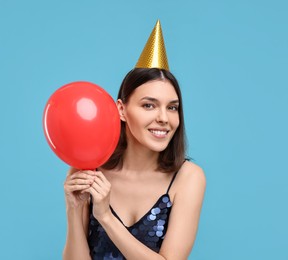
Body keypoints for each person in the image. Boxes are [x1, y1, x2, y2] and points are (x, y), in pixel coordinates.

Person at [62, 20, 206, 260]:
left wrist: (105, 217)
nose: (163, 118)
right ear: (121, 109)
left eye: (172, 108)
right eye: (149, 105)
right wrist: (73, 210)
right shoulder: (91, 170)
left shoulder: (188, 177)